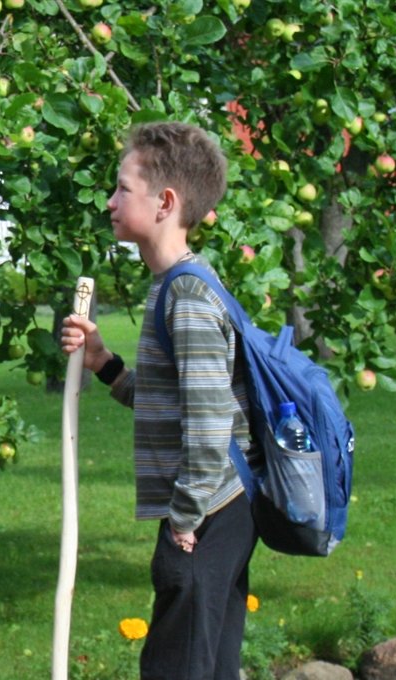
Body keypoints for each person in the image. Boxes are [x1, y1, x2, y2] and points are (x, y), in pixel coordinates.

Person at [61, 122, 259, 680]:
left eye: (123, 188)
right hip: (221, 506)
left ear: (165, 202)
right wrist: (104, 362)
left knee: (179, 666)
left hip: (208, 512)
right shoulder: (176, 286)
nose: (110, 200)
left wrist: (184, 519)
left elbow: (210, 418)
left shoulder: (188, 296)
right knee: (209, 664)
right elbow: (172, 402)